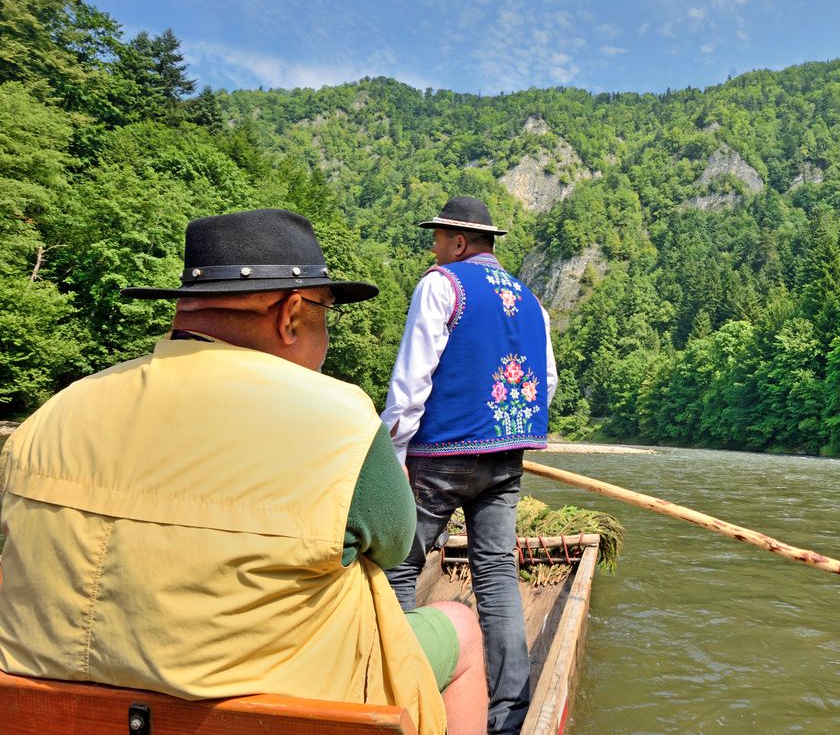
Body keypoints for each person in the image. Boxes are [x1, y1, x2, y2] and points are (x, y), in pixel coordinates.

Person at [0, 208, 486, 735]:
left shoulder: (52, 414)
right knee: (460, 626)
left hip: (52, 717)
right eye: (326, 313)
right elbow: (393, 546)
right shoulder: (339, 420)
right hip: (283, 714)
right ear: (292, 314)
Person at [382, 196, 556, 735]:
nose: (433, 248)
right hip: (506, 458)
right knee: (498, 573)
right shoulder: (532, 301)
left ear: (458, 243)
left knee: (400, 568)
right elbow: (545, 384)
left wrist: (395, 456)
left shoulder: (442, 284)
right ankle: (509, 714)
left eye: (437, 238)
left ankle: (405, 700)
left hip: (440, 457)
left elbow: (412, 382)